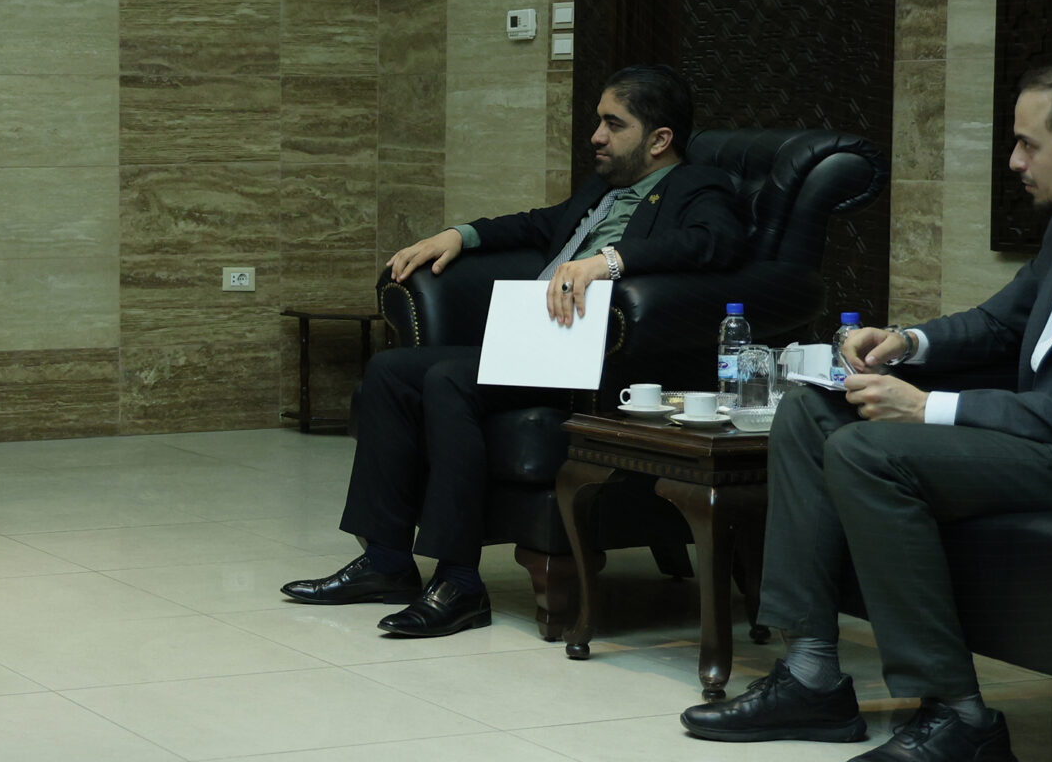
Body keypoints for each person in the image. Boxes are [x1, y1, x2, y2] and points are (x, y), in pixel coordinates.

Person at [682, 57, 1052, 762]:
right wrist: (907, 342)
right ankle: (810, 675)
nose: (1014, 161)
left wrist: (926, 407)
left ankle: (961, 719)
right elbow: (998, 323)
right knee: (811, 408)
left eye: (1027, 144)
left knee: (869, 451)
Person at [286, 65, 748, 637]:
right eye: (598, 122)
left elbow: (715, 242)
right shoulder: (603, 189)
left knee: (447, 379)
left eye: (613, 124)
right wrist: (458, 235)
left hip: (602, 357)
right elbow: (537, 225)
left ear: (659, 140)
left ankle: (459, 582)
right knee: (388, 370)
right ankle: (385, 561)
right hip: (537, 342)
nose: (596, 136)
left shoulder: (699, 185)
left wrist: (607, 262)